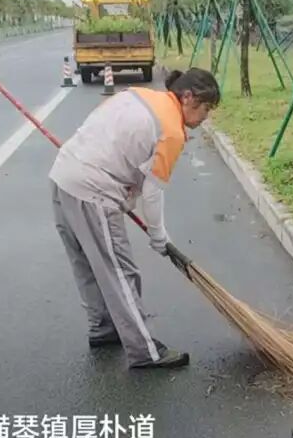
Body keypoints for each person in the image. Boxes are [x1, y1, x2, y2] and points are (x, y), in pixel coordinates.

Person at [49, 68, 221, 369]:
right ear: (188, 97)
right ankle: (145, 351)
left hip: (63, 177)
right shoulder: (171, 130)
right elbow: (153, 192)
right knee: (120, 272)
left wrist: (123, 189)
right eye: (206, 108)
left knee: (88, 265)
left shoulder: (139, 96)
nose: (205, 117)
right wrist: (158, 236)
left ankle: (104, 328)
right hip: (93, 191)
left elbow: (103, 130)